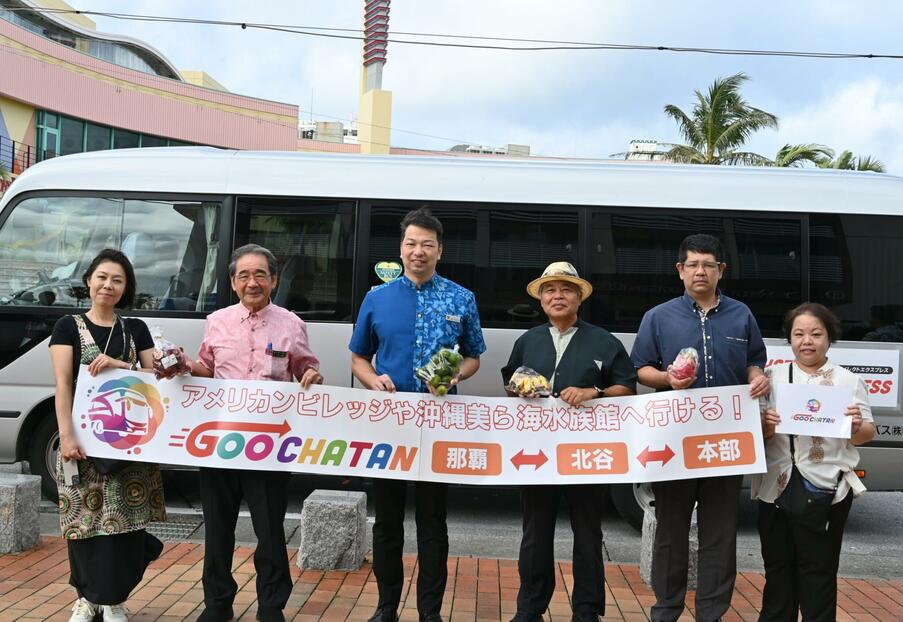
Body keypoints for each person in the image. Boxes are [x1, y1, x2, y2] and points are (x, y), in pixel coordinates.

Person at [349, 208, 486, 622]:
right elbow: (358, 357)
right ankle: (386, 606)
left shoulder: (461, 298)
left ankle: (430, 611)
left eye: (427, 244)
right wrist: (373, 380)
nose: (418, 251)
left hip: (439, 424)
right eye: (411, 243)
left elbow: (474, 358)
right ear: (401, 249)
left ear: (439, 251)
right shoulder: (377, 298)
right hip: (390, 425)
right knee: (387, 520)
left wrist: (453, 376)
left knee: (433, 523)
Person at [630, 234, 770, 622]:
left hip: (727, 440)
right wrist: (667, 379)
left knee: (720, 534)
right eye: (692, 264)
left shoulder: (741, 314)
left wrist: (758, 377)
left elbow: (754, 362)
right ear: (680, 271)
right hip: (674, 441)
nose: (700, 271)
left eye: (708, 264)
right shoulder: (658, 317)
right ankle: (666, 608)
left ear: (720, 270)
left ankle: (711, 611)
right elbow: (641, 369)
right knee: (671, 531)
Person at [188, 244, 323, 622]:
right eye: (244, 275)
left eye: (260, 274)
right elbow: (206, 369)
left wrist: (312, 376)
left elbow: (307, 371)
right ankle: (217, 604)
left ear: (274, 280)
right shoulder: (217, 321)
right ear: (233, 282)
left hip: (269, 445)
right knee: (217, 529)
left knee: (269, 529)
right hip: (220, 442)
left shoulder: (291, 324)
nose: (253, 282)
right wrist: (184, 366)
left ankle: (271, 604)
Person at [501, 262, 637, 622]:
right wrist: (522, 391)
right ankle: (529, 608)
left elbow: (627, 388)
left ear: (579, 298)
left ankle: (587, 611)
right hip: (537, 452)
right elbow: (510, 384)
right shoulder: (527, 341)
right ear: (541, 300)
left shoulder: (604, 341)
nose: (557, 296)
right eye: (550, 290)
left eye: (566, 290)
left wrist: (594, 391)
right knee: (534, 533)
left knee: (589, 534)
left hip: (586, 453)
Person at [49, 248, 165, 622]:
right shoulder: (68, 326)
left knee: (126, 526)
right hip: (82, 443)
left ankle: (114, 599)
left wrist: (122, 365)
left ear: (125, 286)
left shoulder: (136, 329)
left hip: (129, 446)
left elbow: (155, 383)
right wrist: (66, 437)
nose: (108, 285)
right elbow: (63, 385)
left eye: (117, 279)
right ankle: (86, 598)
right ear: (88, 281)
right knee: (84, 525)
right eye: (102, 277)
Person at [754, 303, 875, 621]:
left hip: (828, 489)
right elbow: (757, 436)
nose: (807, 341)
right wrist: (766, 425)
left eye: (816, 334)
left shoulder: (847, 381)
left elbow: (866, 434)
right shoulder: (772, 377)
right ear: (789, 339)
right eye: (799, 334)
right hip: (775, 489)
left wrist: (855, 426)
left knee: (819, 574)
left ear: (829, 337)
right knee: (777, 571)